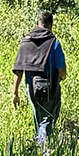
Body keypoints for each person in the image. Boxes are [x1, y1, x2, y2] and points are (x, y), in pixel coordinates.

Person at [10, 8, 68, 148]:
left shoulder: (26, 41)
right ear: (50, 25)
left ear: (37, 23)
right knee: (47, 121)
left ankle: (39, 149)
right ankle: (44, 152)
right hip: (51, 88)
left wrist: (15, 92)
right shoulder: (54, 43)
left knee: (38, 119)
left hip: (32, 89)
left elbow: (18, 71)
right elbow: (62, 72)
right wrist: (61, 77)